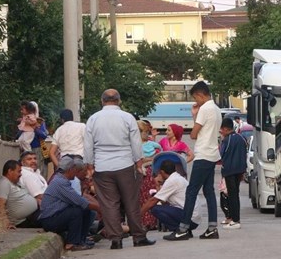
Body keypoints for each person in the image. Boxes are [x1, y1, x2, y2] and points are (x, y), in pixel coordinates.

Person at [83, 89, 156, 250]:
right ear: (119, 101)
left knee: (109, 204)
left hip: (102, 167)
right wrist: (138, 163)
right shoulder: (127, 117)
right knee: (131, 202)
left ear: (102, 101)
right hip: (125, 165)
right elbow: (136, 143)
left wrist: (89, 165)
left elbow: (88, 145)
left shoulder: (93, 119)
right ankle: (138, 236)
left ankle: (115, 238)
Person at [164, 81, 222, 241]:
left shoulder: (205, 109)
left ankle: (183, 228)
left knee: (191, 191)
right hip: (212, 154)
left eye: (196, 97)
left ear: (200, 94)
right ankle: (212, 228)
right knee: (209, 191)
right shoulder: (216, 109)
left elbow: (194, 134)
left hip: (203, 154)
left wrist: (195, 115)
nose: (196, 101)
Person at [38, 156, 99, 252]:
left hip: (56, 215)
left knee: (86, 211)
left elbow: (79, 199)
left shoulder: (62, 180)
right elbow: (80, 201)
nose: (76, 173)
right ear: (70, 169)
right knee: (77, 211)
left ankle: (80, 240)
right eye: (75, 170)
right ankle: (71, 243)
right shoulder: (60, 182)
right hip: (50, 219)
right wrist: (101, 208)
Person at [140, 160, 201, 234]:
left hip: (190, 218)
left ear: (162, 172)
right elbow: (163, 202)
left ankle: (179, 231)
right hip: (193, 218)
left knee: (155, 209)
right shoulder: (177, 177)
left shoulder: (171, 181)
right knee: (157, 205)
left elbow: (153, 201)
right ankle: (185, 231)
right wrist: (157, 185)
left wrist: (137, 216)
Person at [219, 117, 247, 229]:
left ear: (225, 129)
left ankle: (235, 220)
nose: (221, 131)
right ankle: (233, 218)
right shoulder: (242, 138)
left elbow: (221, 154)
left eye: (221, 129)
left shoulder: (227, 140)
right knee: (235, 194)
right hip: (240, 171)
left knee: (231, 195)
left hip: (229, 170)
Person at [0, 160, 40, 229]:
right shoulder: (4, 183)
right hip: (24, 221)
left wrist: (37, 201)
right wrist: (6, 223)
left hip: (34, 214)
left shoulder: (16, 182)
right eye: (19, 171)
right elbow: (0, 205)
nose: (21, 174)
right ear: (10, 171)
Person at [137, 120, 161, 230]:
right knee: (144, 197)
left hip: (146, 173)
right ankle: (146, 221)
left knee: (146, 197)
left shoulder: (148, 144)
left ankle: (148, 221)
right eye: (144, 132)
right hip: (144, 172)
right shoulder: (139, 144)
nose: (146, 134)